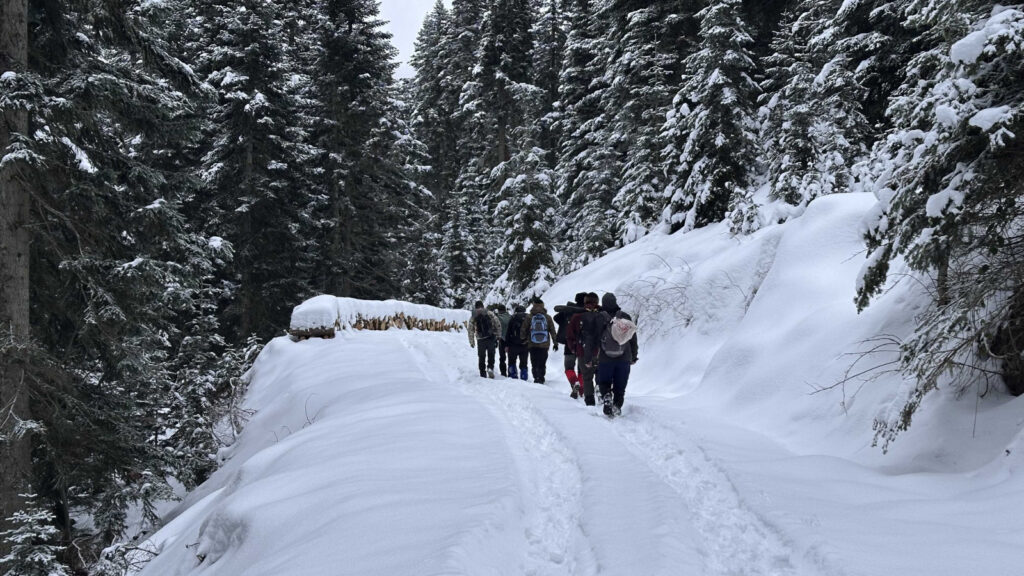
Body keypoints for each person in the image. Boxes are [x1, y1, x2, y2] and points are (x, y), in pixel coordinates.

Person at [581, 292, 638, 417]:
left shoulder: (598, 317)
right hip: (624, 356)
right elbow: (633, 338)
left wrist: (588, 357)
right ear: (615, 302)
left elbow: (591, 338)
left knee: (604, 381)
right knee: (620, 384)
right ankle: (617, 405)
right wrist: (633, 355)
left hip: (605, 357)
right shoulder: (625, 316)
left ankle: (607, 395)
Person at [567, 292, 601, 405]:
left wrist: (573, 349)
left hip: (582, 351)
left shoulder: (577, 317)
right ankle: (602, 394)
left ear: (585, 302)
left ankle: (590, 401)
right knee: (600, 374)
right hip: (600, 351)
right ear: (597, 302)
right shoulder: (602, 314)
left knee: (587, 378)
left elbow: (570, 335)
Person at [553, 292, 587, 398]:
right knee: (582, 369)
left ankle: (574, 382)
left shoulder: (569, 310)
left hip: (570, 343)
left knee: (569, 367)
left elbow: (556, 318)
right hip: (584, 344)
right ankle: (582, 390)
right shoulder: (588, 312)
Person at [519, 298, 556, 384]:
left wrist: (523, 338)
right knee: (542, 362)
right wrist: (555, 342)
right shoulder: (547, 317)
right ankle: (541, 377)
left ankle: (536, 377)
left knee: (534, 361)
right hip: (544, 344)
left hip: (532, 343)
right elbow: (552, 330)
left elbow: (523, 329)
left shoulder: (529, 317)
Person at [467, 300, 502, 378]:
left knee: (481, 356)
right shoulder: (489, 313)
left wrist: (471, 341)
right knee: (491, 354)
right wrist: (498, 335)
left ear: (475, 307)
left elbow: (470, 329)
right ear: (483, 306)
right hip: (490, 337)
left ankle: (482, 372)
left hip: (480, 339)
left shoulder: (474, 316)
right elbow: (497, 323)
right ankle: (490, 368)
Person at [505, 304, 529, 380]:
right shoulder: (529, 318)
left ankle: (513, 376)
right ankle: (524, 376)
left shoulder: (513, 318)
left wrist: (506, 345)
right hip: (525, 344)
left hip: (513, 344)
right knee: (524, 362)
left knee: (512, 361)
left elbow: (508, 332)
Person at [495, 304, 512, 377]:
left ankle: (503, 373)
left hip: (502, 339)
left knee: (502, 358)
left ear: (499, 311)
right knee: (510, 358)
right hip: (510, 340)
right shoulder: (510, 317)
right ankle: (511, 372)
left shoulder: (497, 318)